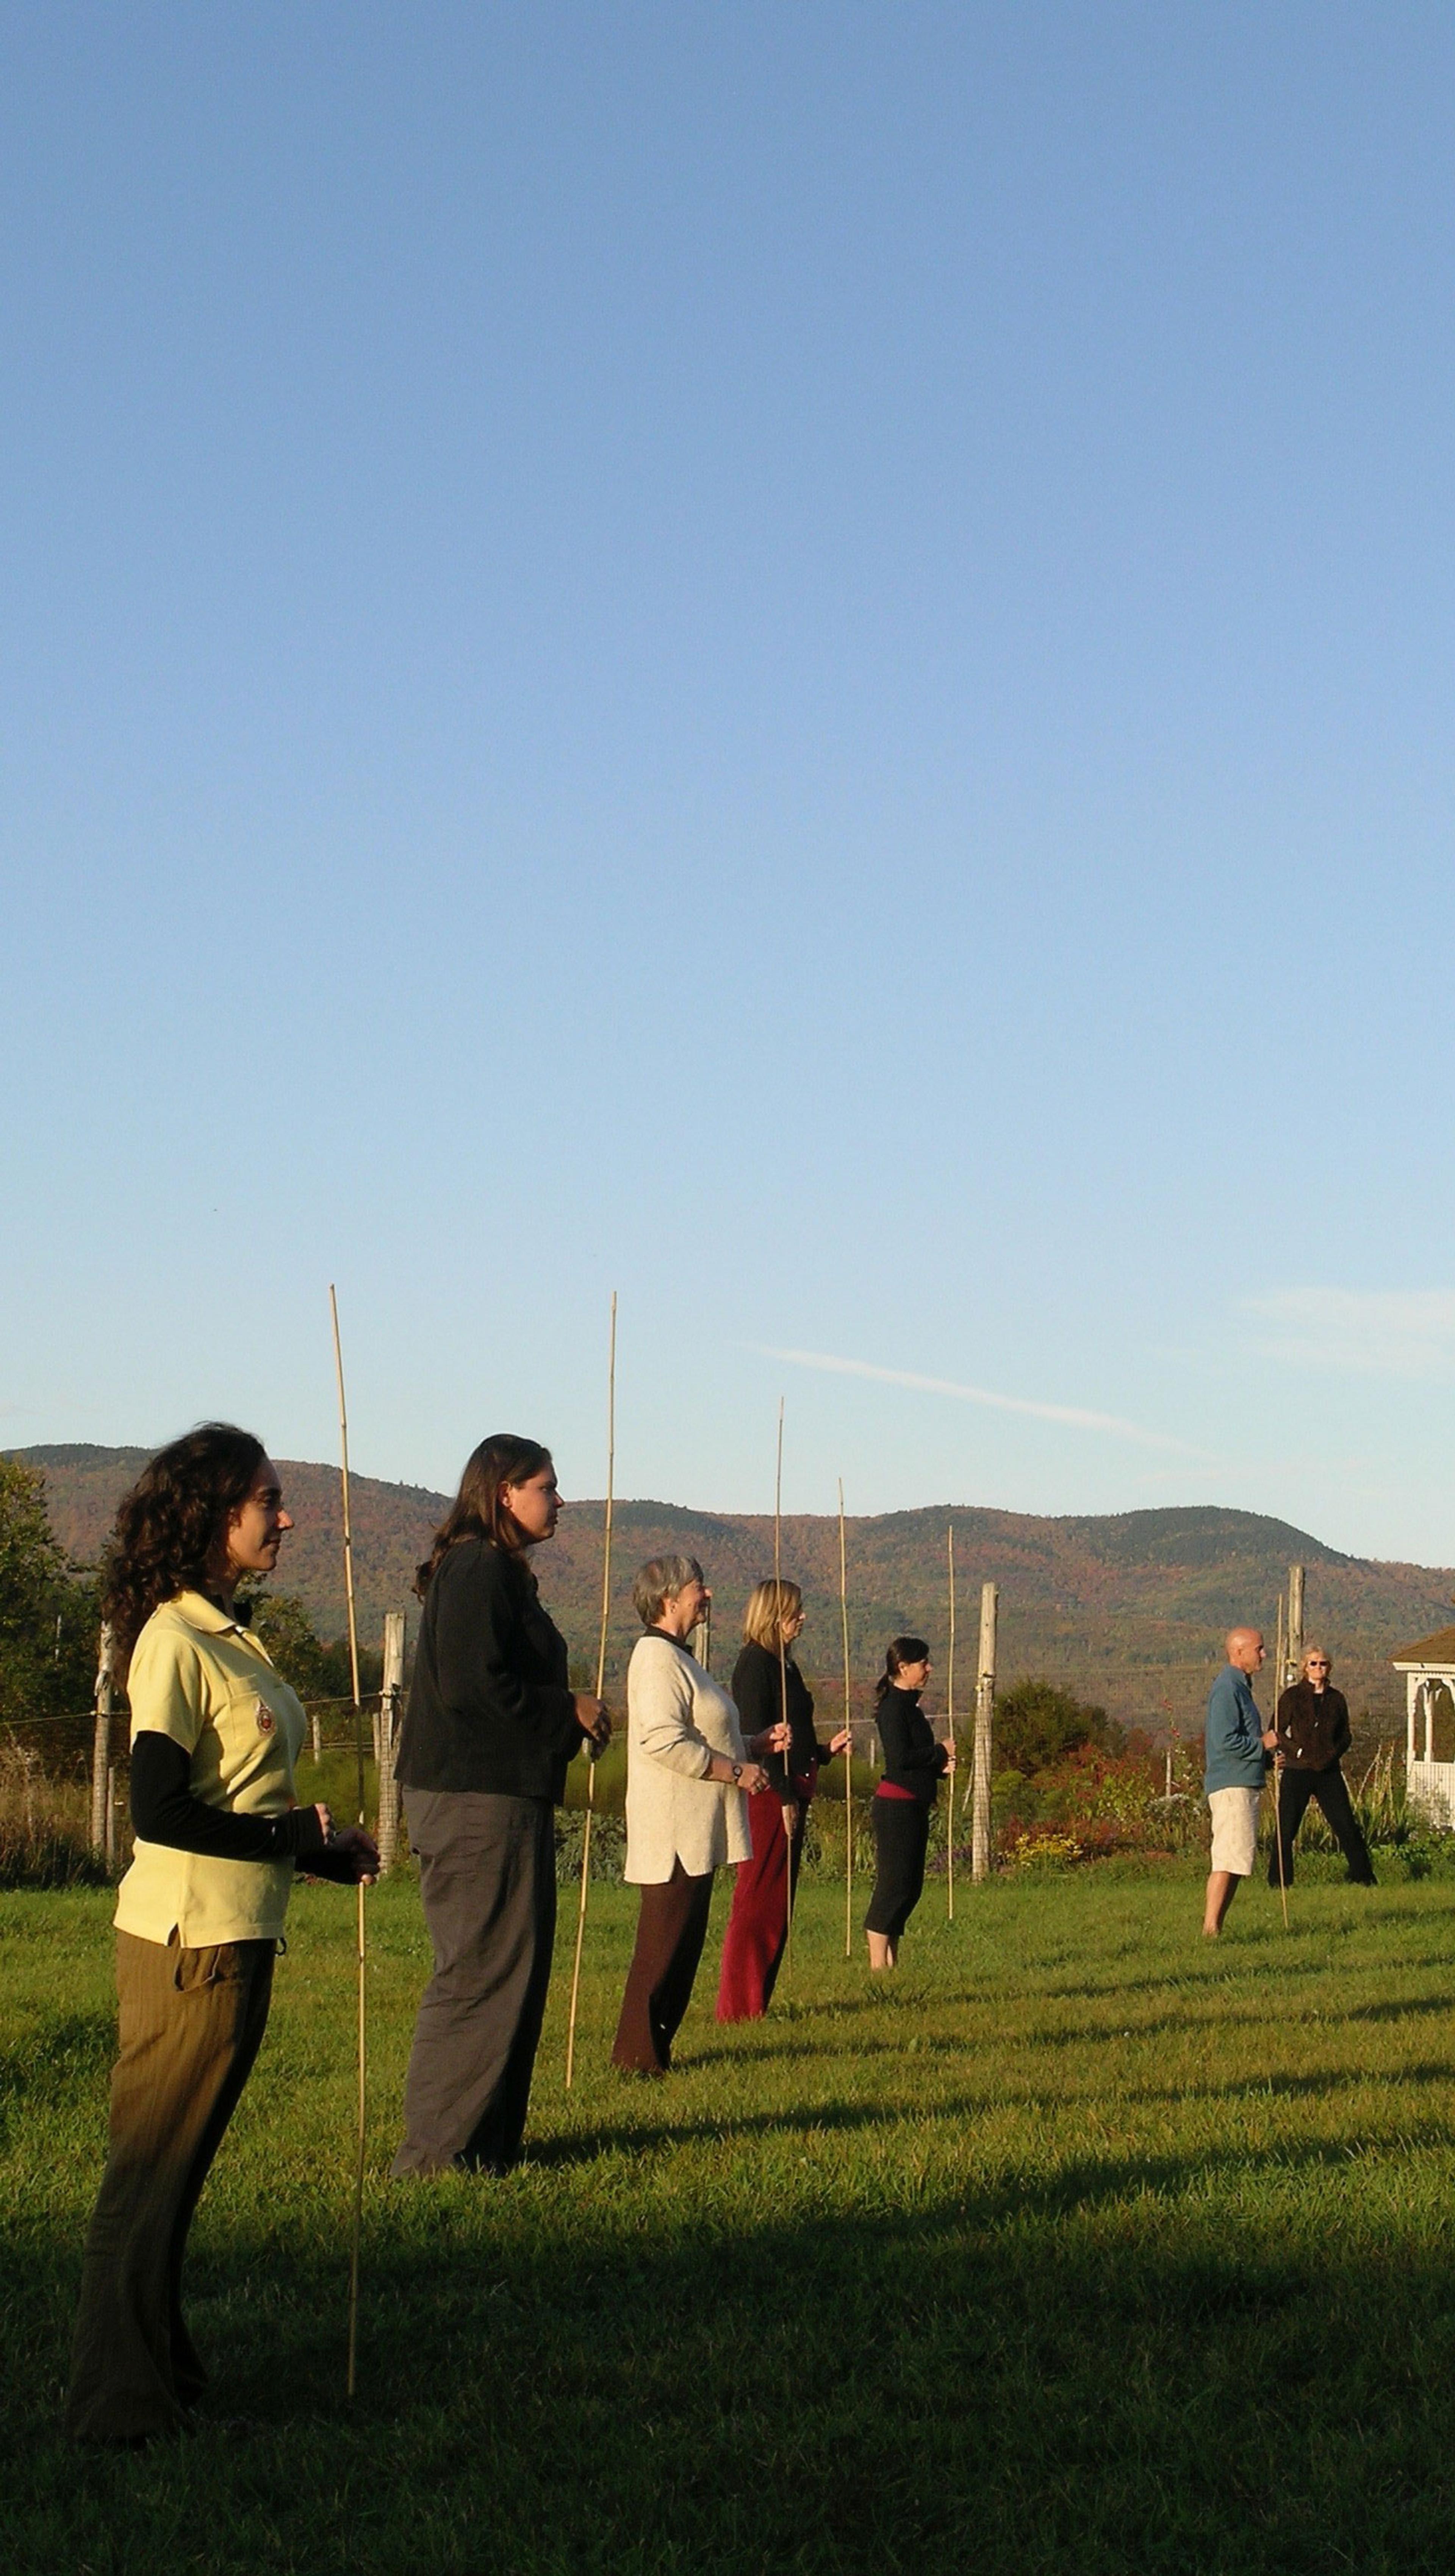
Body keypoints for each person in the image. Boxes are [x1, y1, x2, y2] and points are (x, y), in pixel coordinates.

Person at [65, 1426, 378, 2446]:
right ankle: (118, 2407)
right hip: (187, 1940)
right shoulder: (173, 1637)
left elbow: (237, 1797)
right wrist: (286, 1834)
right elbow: (159, 1808)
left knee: (179, 2171)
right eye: (268, 1498)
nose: (285, 1515)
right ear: (212, 1511)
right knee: (148, 2171)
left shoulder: (230, 1630)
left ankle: (162, 2368)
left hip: (236, 1931)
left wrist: (316, 1851)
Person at [391, 1435, 608, 2176]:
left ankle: (485, 2147)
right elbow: (473, 1690)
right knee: (481, 1970)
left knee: (510, 1970)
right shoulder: (479, 1567)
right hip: (474, 1796)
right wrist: (566, 1709)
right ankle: (435, 2157)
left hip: (501, 1793)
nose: (559, 1500)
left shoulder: (496, 1572)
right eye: (547, 1486)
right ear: (503, 1492)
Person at [613, 1556, 782, 2073]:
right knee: (662, 1950)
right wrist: (735, 1771)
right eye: (697, 1587)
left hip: (694, 1831)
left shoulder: (681, 1657)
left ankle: (654, 2054)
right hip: (672, 1831)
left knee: (681, 1951)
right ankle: (636, 2060)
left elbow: (703, 1728)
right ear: (669, 1599)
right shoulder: (657, 1658)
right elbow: (664, 1739)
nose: (706, 1594)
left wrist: (753, 1744)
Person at [715, 1578, 850, 2021]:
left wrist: (824, 1752)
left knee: (778, 1905)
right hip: (769, 1795)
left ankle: (757, 2004)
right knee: (758, 1902)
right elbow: (760, 1737)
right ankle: (738, 2008)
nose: (802, 1618)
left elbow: (795, 1733)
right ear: (773, 1615)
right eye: (795, 1611)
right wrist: (785, 1794)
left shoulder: (785, 1665)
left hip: (792, 1789)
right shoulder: (755, 1664)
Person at [864, 1636, 952, 1970]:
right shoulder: (893, 1708)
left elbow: (916, 1760)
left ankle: (892, 1962)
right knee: (894, 1884)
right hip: (897, 1808)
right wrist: (940, 1752)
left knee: (910, 1886)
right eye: (923, 1663)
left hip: (913, 1805)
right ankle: (877, 1965)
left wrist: (938, 1767)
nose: (929, 1668)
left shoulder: (910, 1706)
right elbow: (900, 1759)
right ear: (903, 1667)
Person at [1269, 1645, 1376, 1889]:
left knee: (1346, 1824)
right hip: (1297, 1770)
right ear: (1305, 1667)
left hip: (1328, 1772)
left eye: (1323, 1663)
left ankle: (1363, 1877)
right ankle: (1279, 1881)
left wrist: (1332, 1755)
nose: (1319, 1668)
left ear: (1330, 1668)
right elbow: (1276, 1730)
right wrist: (1296, 1751)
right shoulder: (1292, 1696)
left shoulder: (1337, 1699)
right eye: (1314, 1663)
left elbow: (1345, 1735)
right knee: (1286, 1828)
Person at [1203, 1625, 1278, 1936]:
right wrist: (1263, 1745)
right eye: (1259, 1649)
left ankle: (1216, 1927)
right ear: (1238, 1652)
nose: (1264, 1654)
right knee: (1227, 1858)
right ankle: (1211, 1928)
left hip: (1243, 1781)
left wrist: (1268, 1759)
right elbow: (1225, 1741)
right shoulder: (1227, 1688)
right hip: (1231, 1786)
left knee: (1237, 1859)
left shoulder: (1240, 1686)